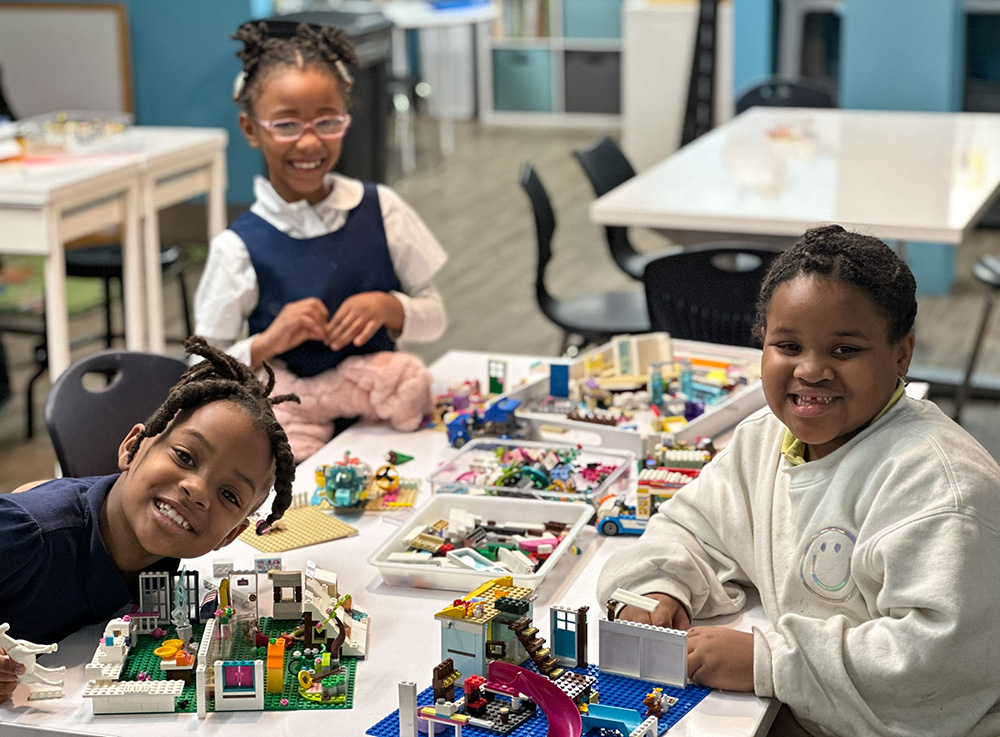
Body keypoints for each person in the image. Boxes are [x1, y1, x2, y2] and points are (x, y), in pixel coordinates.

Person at [598, 225, 1000, 736]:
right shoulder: (765, 439)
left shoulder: (941, 488)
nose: (811, 371)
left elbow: (938, 662)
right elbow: (693, 528)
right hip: (822, 716)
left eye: (844, 350)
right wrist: (656, 590)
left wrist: (769, 661)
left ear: (901, 353)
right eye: (787, 345)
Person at [195, 21, 447, 461]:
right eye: (286, 125)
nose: (309, 142)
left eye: (327, 122)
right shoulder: (237, 248)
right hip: (290, 447)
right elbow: (199, 372)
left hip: (386, 431)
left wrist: (392, 308)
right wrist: (268, 342)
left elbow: (436, 317)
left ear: (347, 119)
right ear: (251, 129)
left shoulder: (380, 208)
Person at [0, 337, 298, 703]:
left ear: (231, 534)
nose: (198, 490)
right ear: (133, 447)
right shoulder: (28, 533)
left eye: (228, 495)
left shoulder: (161, 563)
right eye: (186, 457)